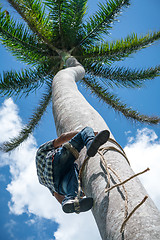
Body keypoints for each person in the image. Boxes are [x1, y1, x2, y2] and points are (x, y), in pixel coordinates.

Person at [36, 127, 110, 214]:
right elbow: (62, 138)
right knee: (86, 130)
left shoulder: (42, 179)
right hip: (55, 163)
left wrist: (71, 202)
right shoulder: (41, 151)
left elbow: (57, 195)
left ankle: (72, 199)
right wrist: (91, 133)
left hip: (57, 184)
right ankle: (90, 141)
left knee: (72, 173)